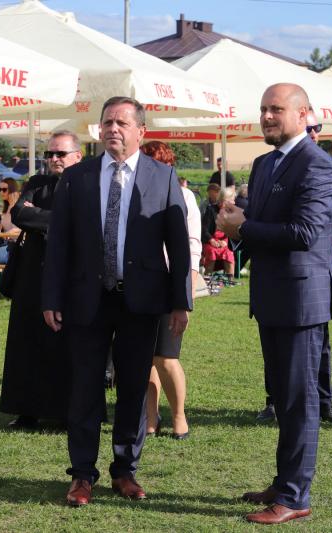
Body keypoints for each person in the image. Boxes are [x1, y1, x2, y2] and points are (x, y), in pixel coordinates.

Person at [41, 97, 192, 507]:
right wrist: (51, 296)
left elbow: (178, 246)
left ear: (141, 131)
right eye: (107, 122)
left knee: (134, 388)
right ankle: (82, 475)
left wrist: (181, 301)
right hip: (86, 299)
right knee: (84, 388)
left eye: (122, 123)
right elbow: (59, 244)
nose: (112, 129)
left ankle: (125, 470)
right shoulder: (78, 177)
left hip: (140, 301)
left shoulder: (163, 176)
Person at [216, 83, 332, 524]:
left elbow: (306, 232)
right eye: (263, 108)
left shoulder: (318, 164)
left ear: (304, 114)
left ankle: (294, 497)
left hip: (302, 299)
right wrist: (236, 222)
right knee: (283, 397)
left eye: (276, 109)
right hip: (270, 296)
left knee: (300, 400)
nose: (267, 116)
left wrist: (244, 227)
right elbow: (261, 224)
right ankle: (284, 481)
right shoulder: (264, 162)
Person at [254, 108, 332, 425]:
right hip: (273, 272)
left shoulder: (326, 164)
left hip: (311, 268)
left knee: (317, 345)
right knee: (275, 345)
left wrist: (319, 249)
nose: (313, 132)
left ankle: (324, 399)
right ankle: (274, 399)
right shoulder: (264, 163)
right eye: (310, 127)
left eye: (317, 127)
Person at [0, 133, 83, 431]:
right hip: (32, 273)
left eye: (60, 153)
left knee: (64, 343)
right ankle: (27, 411)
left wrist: (41, 217)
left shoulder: (86, 184)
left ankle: (64, 413)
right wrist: (60, 220)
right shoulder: (37, 182)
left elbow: (83, 222)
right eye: (50, 154)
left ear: (77, 156)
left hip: (70, 275)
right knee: (26, 342)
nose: (54, 159)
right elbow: (19, 214)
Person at [139, 141, 201, 440]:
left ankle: (179, 416)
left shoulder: (184, 195)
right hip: (141, 281)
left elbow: (192, 245)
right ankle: (151, 418)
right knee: (146, 357)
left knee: (166, 356)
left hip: (171, 282)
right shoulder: (135, 192)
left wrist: (186, 291)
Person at [201, 183, 235, 280]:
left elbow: (233, 231)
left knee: (229, 253)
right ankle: (207, 278)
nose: (234, 202)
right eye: (232, 200)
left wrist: (225, 241)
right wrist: (211, 240)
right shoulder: (211, 209)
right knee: (211, 252)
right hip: (210, 241)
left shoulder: (231, 212)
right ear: (224, 200)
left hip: (224, 242)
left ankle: (230, 280)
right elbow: (204, 229)